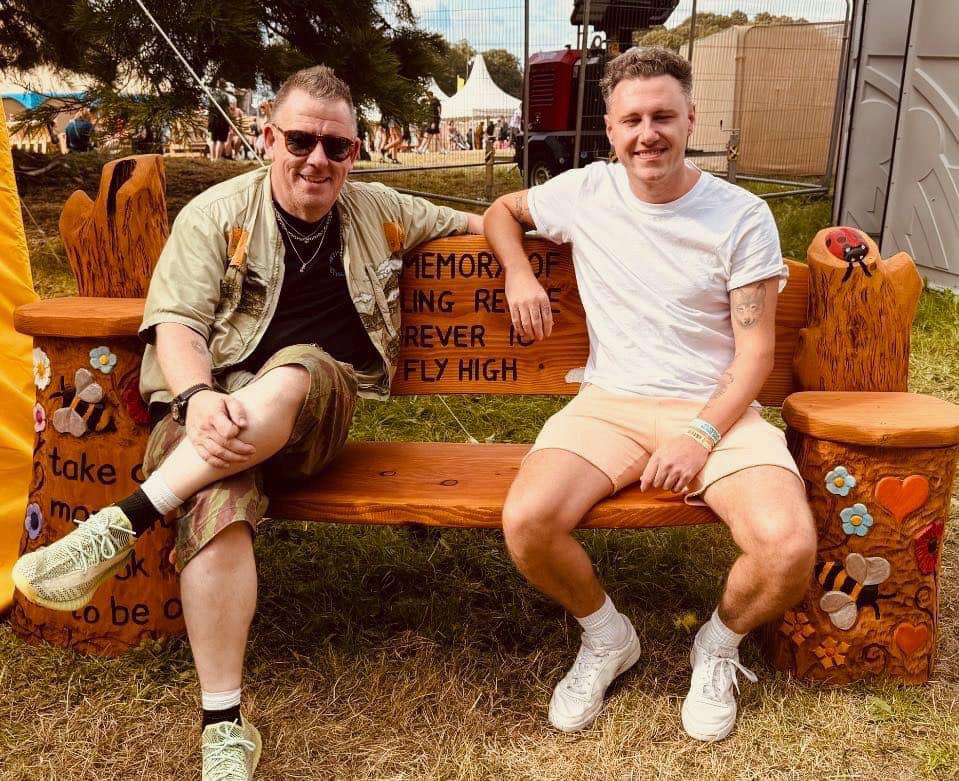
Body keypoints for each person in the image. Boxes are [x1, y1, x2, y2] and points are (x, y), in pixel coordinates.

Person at [13, 64, 483, 780]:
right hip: (216, 412)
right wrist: (199, 398)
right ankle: (223, 726)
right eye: (300, 140)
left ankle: (124, 520)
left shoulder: (379, 209)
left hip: (314, 414)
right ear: (268, 137)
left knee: (297, 364)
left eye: (338, 148)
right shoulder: (216, 213)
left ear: (356, 152)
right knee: (214, 500)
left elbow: (487, 219)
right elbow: (176, 325)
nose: (318, 161)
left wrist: (517, 258)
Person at [484, 46, 815, 742]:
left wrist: (697, 435)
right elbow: (500, 211)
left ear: (691, 118)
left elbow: (754, 353)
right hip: (609, 402)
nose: (648, 134)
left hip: (716, 407)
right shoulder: (585, 191)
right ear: (609, 129)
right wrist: (519, 273)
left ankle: (716, 643)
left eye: (663, 115)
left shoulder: (740, 214)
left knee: (785, 545)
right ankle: (607, 635)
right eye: (631, 119)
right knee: (528, 520)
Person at [207, 82, 233, 160]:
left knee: (213, 140)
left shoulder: (211, 95)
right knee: (220, 140)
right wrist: (230, 118)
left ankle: (212, 158)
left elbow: (209, 107)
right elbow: (227, 109)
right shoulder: (224, 96)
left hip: (212, 120)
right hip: (222, 120)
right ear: (223, 87)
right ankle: (217, 158)